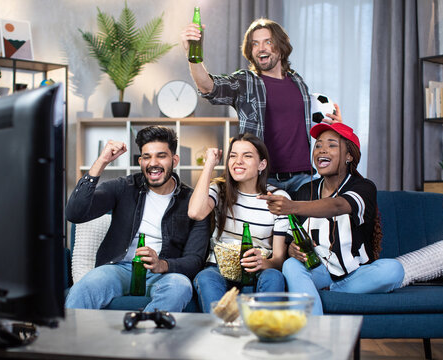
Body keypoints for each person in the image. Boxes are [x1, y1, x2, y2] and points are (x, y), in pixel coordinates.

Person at [181, 17, 342, 192]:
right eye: (255, 44)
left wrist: (335, 126)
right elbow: (208, 86)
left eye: (268, 42)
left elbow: (306, 124)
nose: (261, 48)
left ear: (281, 47)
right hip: (263, 179)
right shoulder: (246, 81)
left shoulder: (298, 82)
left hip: (303, 178)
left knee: (311, 219)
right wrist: (193, 55)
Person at [258, 123, 404, 315]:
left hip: (356, 276)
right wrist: (292, 249)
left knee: (394, 269)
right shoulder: (305, 190)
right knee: (290, 265)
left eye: (332, 145)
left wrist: (290, 206)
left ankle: (327, 293)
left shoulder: (364, 187)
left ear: (349, 156)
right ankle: (317, 328)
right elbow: (290, 240)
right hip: (317, 271)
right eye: (318, 145)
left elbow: (338, 205)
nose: (322, 150)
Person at [65, 126, 210, 312]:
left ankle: (146, 335)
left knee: (180, 286)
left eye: (161, 156)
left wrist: (161, 264)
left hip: (165, 273)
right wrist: (101, 162)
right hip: (119, 269)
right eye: (147, 157)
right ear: (140, 161)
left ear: (174, 160)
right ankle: (68, 340)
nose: (153, 163)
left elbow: (195, 259)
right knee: (85, 287)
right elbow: (74, 213)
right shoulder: (124, 186)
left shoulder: (193, 201)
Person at [188, 133, 287, 313]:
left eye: (247, 156)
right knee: (205, 278)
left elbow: (279, 259)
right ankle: (221, 334)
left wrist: (263, 263)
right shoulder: (219, 190)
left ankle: (263, 334)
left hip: (258, 269)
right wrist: (209, 164)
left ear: (262, 165)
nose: (238, 161)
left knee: (274, 277)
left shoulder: (278, 198)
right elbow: (195, 212)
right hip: (218, 267)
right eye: (233, 156)